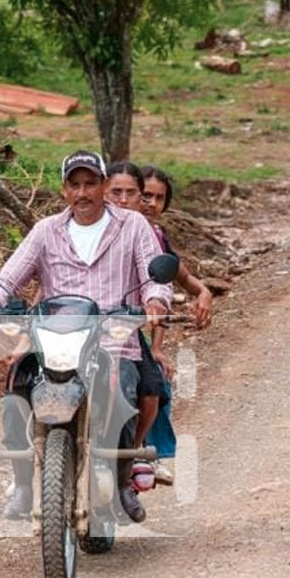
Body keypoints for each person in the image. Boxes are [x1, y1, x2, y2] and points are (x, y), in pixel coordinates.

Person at [0, 149, 172, 523]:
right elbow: (10, 274)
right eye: (74, 185)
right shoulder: (46, 230)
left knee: (125, 391)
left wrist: (156, 302)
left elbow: (152, 277)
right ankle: (23, 485)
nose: (83, 193)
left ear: (102, 186)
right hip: (52, 343)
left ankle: (121, 477)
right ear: (64, 190)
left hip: (113, 340)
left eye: (90, 183)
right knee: (16, 390)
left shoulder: (133, 226)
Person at [137, 165, 214, 486]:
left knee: (154, 380)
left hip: (124, 327)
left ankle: (149, 451)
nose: (150, 203)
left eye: (159, 198)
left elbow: (169, 283)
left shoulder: (155, 238)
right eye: (145, 195)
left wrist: (203, 291)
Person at [105, 161, 167, 465]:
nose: (123, 199)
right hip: (74, 325)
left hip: (121, 328)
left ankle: (132, 457)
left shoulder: (141, 231)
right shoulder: (74, 227)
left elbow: (160, 280)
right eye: (116, 192)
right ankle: (28, 467)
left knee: (148, 387)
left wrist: (156, 343)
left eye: (132, 193)